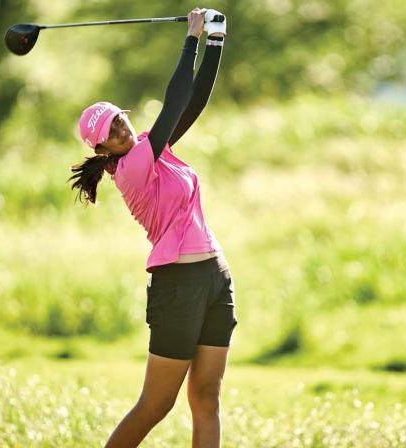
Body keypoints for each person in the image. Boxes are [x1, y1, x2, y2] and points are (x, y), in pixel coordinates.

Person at [68, 8, 235, 448]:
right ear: (101, 148)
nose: (122, 129)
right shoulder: (131, 168)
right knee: (156, 405)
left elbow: (193, 102)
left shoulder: (150, 147)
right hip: (177, 284)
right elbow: (175, 101)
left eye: (120, 120)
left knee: (206, 396)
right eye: (111, 131)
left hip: (215, 276)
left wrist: (216, 41)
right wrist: (191, 39)